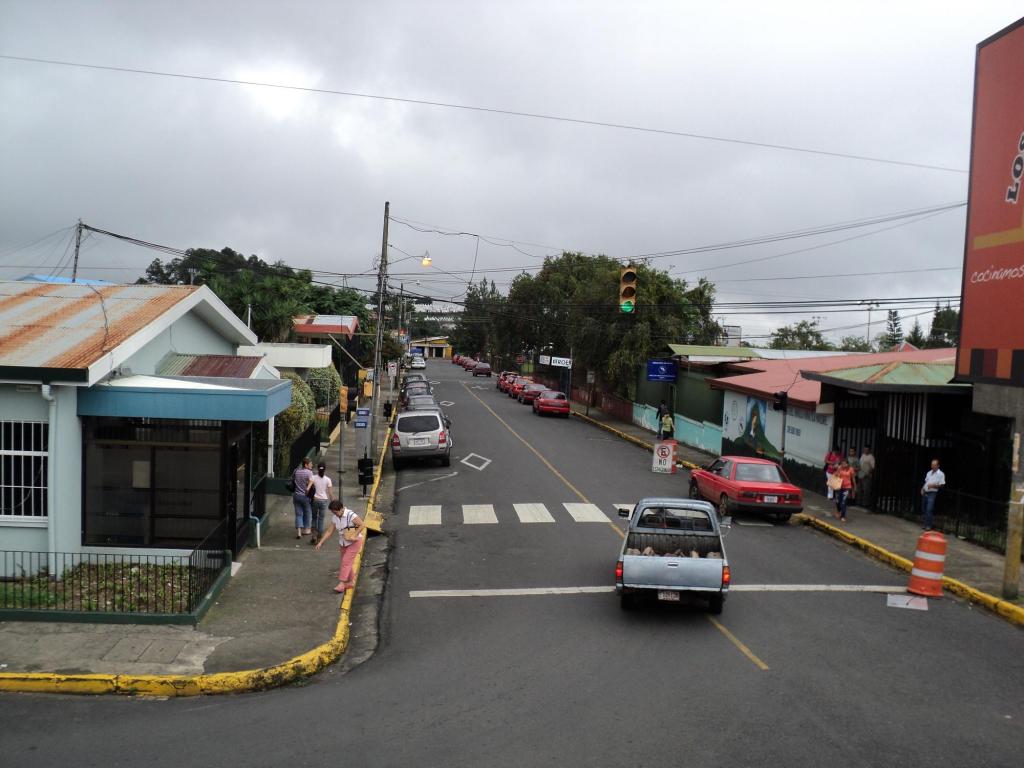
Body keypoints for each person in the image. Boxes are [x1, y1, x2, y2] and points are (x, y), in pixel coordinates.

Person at [315, 499, 365, 593]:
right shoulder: (335, 517)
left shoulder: (350, 515)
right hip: (343, 542)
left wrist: (354, 535)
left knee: (346, 562)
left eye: (336, 512)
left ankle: (342, 583)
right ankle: (350, 582)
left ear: (341, 509)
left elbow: (362, 525)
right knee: (346, 562)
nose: (335, 514)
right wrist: (321, 542)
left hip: (354, 542)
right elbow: (330, 531)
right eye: (333, 512)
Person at [309, 462, 334, 545]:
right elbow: (330, 493)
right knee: (321, 519)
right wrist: (333, 502)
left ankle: (314, 537)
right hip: (324, 500)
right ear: (325, 469)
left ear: (318, 469)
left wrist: (307, 494)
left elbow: (307, 488)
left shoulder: (313, 477)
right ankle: (320, 537)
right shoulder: (328, 479)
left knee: (314, 518)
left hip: (315, 500)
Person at [291, 457, 314, 540]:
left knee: (298, 514)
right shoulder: (309, 472)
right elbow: (312, 481)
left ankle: (299, 532)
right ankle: (306, 530)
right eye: (310, 464)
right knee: (308, 512)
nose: (312, 465)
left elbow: (293, 480)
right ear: (306, 464)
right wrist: (307, 488)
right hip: (305, 496)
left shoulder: (296, 471)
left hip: (296, 495)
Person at [920, 458, 946, 530]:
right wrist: (922, 489)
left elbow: (942, 485)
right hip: (925, 491)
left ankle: (929, 525)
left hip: (932, 492)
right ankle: (925, 524)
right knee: (924, 508)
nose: (932, 466)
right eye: (932, 465)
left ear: (938, 466)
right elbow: (926, 482)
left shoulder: (941, 474)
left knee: (929, 509)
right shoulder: (928, 472)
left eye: (934, 465)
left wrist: (933, 485)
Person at [833, 459, 857, 523]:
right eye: (842, 464)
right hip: (839, 487)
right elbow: (836, 475)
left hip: (847, 487)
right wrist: (837, 471)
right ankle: (838, 511)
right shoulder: (840, 468)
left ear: (848, 464)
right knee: (838, 501)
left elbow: (853, 478)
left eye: (845, 464)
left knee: (843, 502)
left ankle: (843, 516)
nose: (843, 465)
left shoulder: (851, 469)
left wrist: (855, 486)